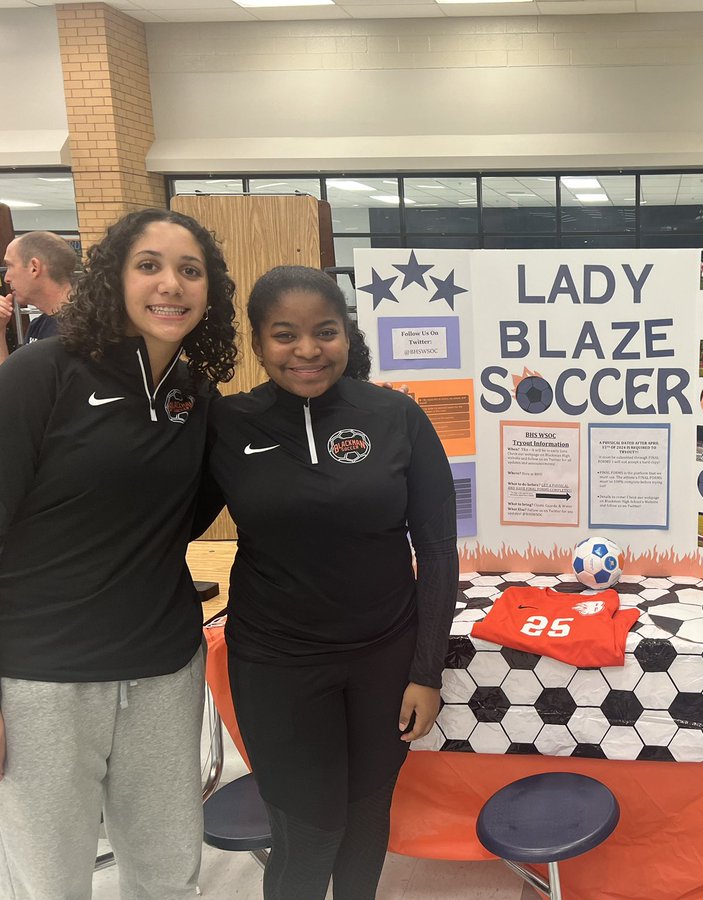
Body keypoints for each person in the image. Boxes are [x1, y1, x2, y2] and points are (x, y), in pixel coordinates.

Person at [0, 208, 238, 899]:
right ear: (114, 278)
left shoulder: (198, 400)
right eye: (150, 265)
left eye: (190, 270)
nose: (171, 284)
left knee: (168, 875)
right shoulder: (42, 373)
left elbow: (184, 523)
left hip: (161, 672)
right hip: (41, 679)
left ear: (209, 293)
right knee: (50, 883)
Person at [200, 265, 458, 900]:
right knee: (309, 833)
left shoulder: (396, 416)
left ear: (347, 334)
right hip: (276, 665)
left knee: (367, 823)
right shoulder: (229, 426)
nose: (308, 350)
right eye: (285, 335)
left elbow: (438, 548)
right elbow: (159, 524)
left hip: (383, 660)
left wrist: (425, 671)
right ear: (259, 343)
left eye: (325, 332)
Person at [0, 231, 76, 365]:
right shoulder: (39, 325)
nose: (6, 278)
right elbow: (13, 382)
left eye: (10, 266)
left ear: (34, 268)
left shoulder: (82, 328)